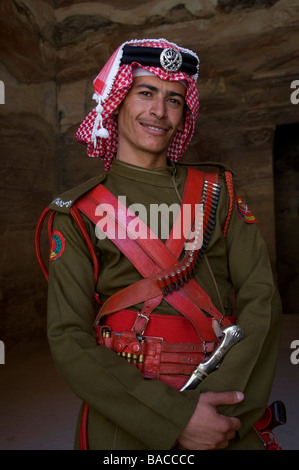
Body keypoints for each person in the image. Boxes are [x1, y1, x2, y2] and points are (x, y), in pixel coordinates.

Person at [42, 38, 282, 450]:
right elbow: (68, 336)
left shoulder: (217, 190)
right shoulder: (78, 210)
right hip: (130, 414)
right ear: (117, 101)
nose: (159, 111)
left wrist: (218, 413)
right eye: (145, 93)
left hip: (223, 398)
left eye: (174, 99)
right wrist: (174, 418)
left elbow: (262, 299)